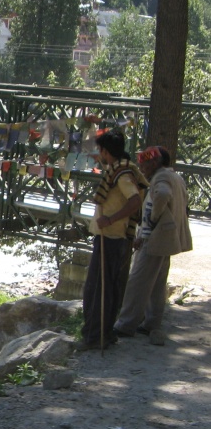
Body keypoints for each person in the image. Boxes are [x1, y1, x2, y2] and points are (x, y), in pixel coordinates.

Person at [113, 146, 193, 346]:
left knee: (138, 281)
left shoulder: (161, 178)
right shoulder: (175, 177)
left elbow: (162, 195)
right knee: (157, 282)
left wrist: (153, 219)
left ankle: (126, 324)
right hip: (168, 237)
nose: (142, 168)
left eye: (145, 164)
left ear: (155, 163)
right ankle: (151, 323)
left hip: (156, 237)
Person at [78, 129, 147, 352]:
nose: (100, 155)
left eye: (101, 151)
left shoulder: (122, 174)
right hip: (113, 237)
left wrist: (110, 219)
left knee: (97, 289)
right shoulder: (121, 169)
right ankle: (105, 332)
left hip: (111, 236)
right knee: (109, 287)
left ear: (106, 151)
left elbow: (135, 201)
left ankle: (94, 336)